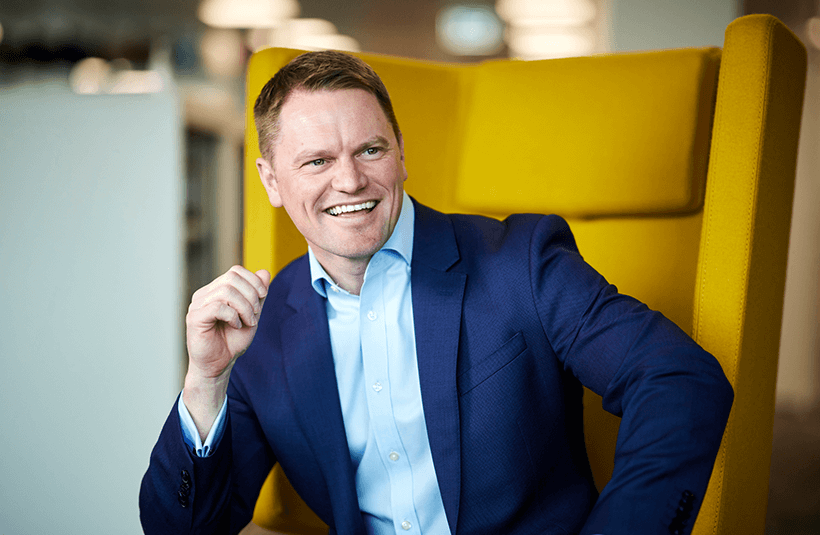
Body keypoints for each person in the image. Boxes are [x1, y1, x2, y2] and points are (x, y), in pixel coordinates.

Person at [140, 50, 733, 535]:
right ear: (271, 180)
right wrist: (204, 383)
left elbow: (680, 379)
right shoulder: (263, 326)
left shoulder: (521, 260)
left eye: (370, 150)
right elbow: (186, 529)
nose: (349, 181)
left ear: (401, 152)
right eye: (316, 161)